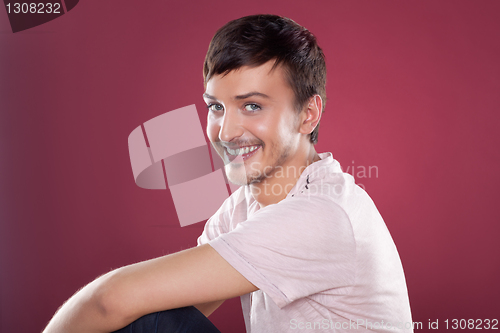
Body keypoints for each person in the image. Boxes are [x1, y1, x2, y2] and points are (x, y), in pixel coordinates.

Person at [43, 14, 413, 333]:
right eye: (216, 107)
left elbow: (110, 300)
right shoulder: (243, 207)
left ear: (308, 114)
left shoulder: (323, 214)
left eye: (252, 106)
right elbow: (161, 307)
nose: (226, 131)